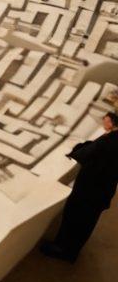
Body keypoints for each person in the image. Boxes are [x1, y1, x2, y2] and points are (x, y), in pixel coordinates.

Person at [40, 111, 118, 262]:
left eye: (105, 120)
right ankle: (72, 251)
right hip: (103, 190)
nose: (103, 122)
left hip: (89, 189)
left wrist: (76, 148)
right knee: (87, 222)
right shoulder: (112, 139)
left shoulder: (108, 141)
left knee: (74, 218)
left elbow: (82, 155)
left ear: (111, 123)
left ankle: (62, 249)